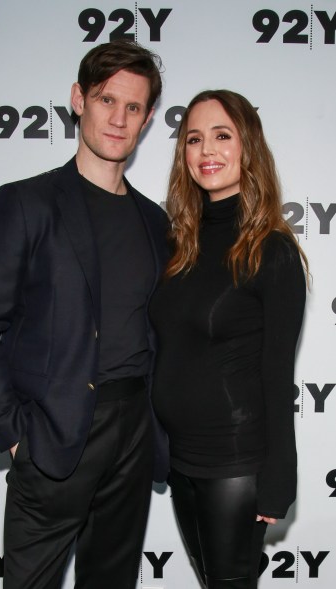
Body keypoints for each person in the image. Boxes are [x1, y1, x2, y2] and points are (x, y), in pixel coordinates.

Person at [0, 39, 169, 589]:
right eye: (105, 100)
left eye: (134, 107)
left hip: (133, 430)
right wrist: (13, 433)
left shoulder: (156, 223)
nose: (118, 119)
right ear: (79, 99)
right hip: (52, 430)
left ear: (147, 119)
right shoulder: (26, 202)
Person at [149, 89, 308, 589]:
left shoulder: (272, 250)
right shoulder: (179, 245)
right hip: (181, 457)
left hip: (235, 461)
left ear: (248, 148)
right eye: (194, 139)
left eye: (222, 135)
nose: (206, 150)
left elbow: (278, 375)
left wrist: (279, 478)